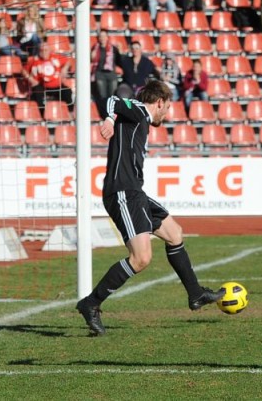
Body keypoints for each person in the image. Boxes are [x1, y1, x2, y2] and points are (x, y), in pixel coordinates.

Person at [76, 81, 225, 336]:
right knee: (141, 258)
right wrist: (110, 121)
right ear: (159, 102)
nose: (165, 114)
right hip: (122, 192)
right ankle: (91, 302)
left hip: (136, 192)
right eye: (166, 108)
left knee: (174, 233)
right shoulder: (138, 109)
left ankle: (196, 294)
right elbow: (112, 100)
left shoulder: (140, 118)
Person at [26, 43, 73, 112]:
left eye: (46, 50)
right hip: (42, 86)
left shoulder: (56, 57)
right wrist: (30, 79)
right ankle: (41, 114)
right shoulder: (34, 60)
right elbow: (23, 70)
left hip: (57, 86)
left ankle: (69, 112)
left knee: (67, 91)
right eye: (42, 50)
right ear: (39, 51)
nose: (44, 52)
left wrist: (65, 68)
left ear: (49, 50)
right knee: (36, 92)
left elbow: (68, 61)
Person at [91, 30, 122, 117]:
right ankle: (105, 115)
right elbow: (91, 60)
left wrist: (120, 51)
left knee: (112, 96)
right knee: (103, 96)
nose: (102, 38)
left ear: (107, 37)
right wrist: (91, 56)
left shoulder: (113, 49)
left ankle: (112, 114)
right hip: (100, 74)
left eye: (104, 36)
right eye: (101, 36)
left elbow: (119, 61)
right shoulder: (95, 48)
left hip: (111, 74)